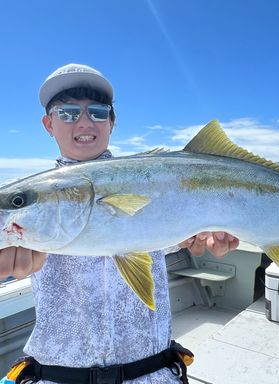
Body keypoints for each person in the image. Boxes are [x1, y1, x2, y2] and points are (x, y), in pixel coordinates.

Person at [0, 63, 239, 384]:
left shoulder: (155, 178)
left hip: (152, 374)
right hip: (57, 376)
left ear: (112, 122)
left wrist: (203, 236)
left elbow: (179, 235)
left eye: (98, 112)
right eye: (68, 113)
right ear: (48, 123)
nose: (84, 121)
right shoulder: (26, 194)